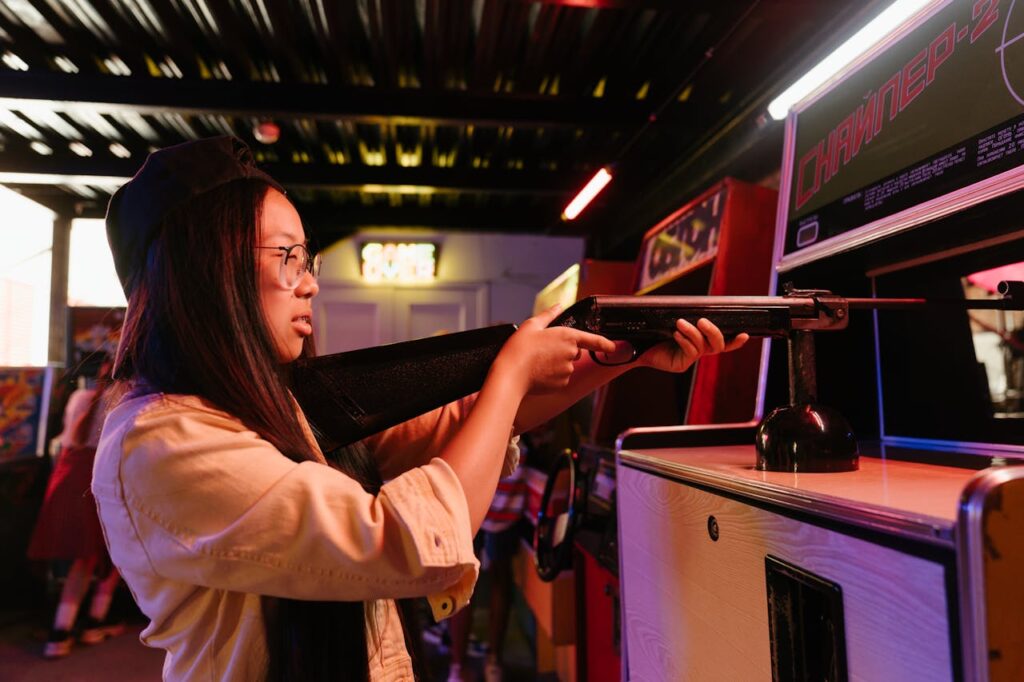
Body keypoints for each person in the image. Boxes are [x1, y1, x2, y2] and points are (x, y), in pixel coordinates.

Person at [92, 136, 748, 681]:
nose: (310, 281)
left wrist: (620, 354)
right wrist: (513, 368)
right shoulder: (161, 437)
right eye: (288, 256)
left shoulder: (268, 402)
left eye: (306, 257)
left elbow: (474, 429)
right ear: (207, 268)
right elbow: (401, 541)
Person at [27, 357, 123, 658]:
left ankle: (61, 630)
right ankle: (92, 622)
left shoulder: (79, 397)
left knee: (81, 560)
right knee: (111, 555)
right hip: (97, 482)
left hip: (64, 481)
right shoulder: (125, 402)